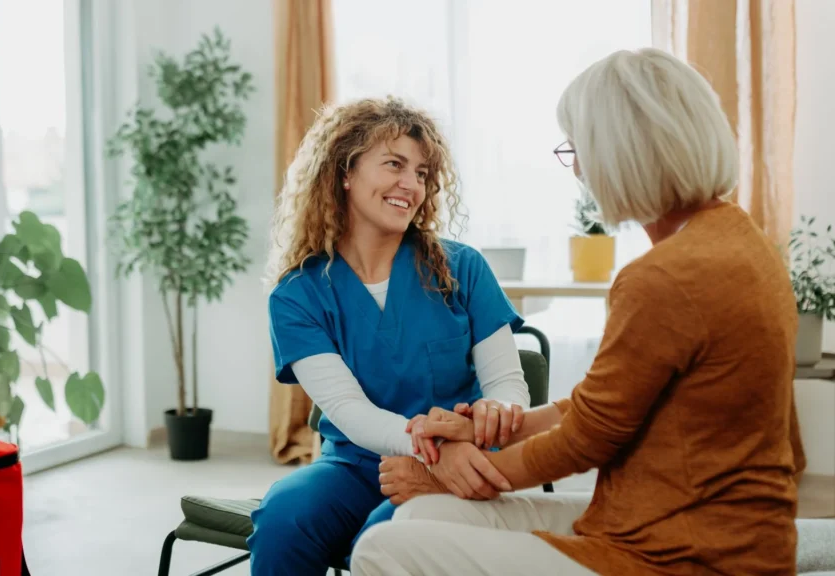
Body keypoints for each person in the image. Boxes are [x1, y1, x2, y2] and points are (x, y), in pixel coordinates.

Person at [351, 47, 807, 576]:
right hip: (675, 522)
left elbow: (586, 440)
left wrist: (448, 474)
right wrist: (482, 434)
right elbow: (598, 408)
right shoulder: (741, 241)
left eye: (578, 149)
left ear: (623, 152)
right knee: (424, 518)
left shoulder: (666, 276)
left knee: (379, 548)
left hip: (685, 553)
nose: (580, 169)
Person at [249, 96, 532, 575]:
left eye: (421, 173)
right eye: (394, 165)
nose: (411, 185)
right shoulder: (297, 294)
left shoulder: (463, 268)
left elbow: (509, 385)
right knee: (284, 516)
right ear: (345, 172)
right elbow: (349, 411)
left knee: (386, 535)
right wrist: (428, 448)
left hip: (463, 458)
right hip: (355, 465)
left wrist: (488, 417)